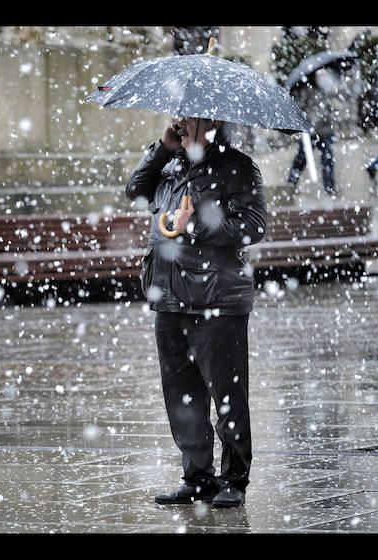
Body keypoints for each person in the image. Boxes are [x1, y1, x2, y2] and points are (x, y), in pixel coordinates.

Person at [125, 116, 266, 507]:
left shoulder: (235, 166)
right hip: (168, 294)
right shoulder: (171, 163)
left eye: (187, 117)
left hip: (217, 298)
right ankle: (197, 477)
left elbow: (254, 226)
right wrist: (161, 146)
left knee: (226, 395)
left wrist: (196, 226)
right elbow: (135, 190)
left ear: (212, 121)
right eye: (177, 116)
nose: (179, 121)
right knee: (181, 394)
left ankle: (234, 480)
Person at [287, 68, 339, 196]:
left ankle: (329, 187)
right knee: (301, 158)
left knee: (327, 158)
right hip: (310, 132)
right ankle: (291, 184)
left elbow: (331, 106)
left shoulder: (327, 88)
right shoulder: (306, 89)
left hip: (325, 130)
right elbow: (299, 107)